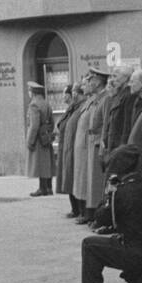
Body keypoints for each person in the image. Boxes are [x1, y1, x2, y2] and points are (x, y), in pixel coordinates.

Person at [79, 145, 142, 283]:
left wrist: (108, 193)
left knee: (90, 246)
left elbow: (101, 218)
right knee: (130, 272)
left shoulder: (120, 192)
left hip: (134, 251)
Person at [72, 68, 109, 225]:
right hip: (87, 144)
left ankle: (94, 213)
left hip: (95, 144)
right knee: (88, 181)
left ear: (98, 82)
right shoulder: (94, 99)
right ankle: (88, 212)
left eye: (91, 80)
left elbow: (105, 123)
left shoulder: (104, 99)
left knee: (95, 183)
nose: (88, 84)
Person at [57, 82, 86, 214]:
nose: (71, 94)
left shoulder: (81, 107)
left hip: (75, 147)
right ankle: (75, 209)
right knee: (69, 177)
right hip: (68, 146)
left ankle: (79, 209)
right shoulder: (73, 107)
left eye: (74, 91)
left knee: (74, 177)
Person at [25, 81, 54, 196]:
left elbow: (34, 125)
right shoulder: (46, 104)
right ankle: (49, 188)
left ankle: (42, 188)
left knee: (40, 163)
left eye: (29, 90)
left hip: (38, 139)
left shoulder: (34, 105)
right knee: (47, 163)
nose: (28, 92)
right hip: (46, 137)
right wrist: (48, 133)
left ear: (33, 93)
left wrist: (30, 141)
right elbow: (52, 122)